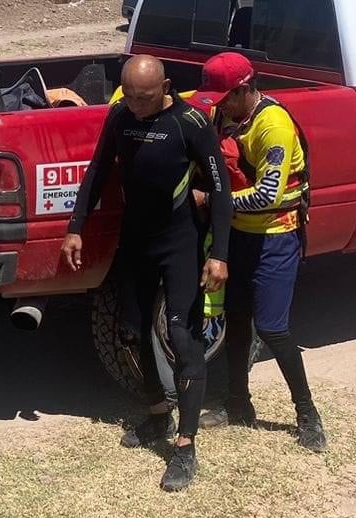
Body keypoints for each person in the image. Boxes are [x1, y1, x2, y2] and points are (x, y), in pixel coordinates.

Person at [60, 55, 230, 492]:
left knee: (182, 335)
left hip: (179, 243)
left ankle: (186, 445)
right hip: (136, 241)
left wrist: (220, 255)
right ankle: (158, 415)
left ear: (166, 85)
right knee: (132, 334)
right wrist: (75, 228)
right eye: (130, 95)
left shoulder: (189, 123)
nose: (136, 104)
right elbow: (97, 171)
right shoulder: (120, 115)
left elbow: (220, 189)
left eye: (145, 96)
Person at [198, 52, 327, 452]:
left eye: (224, 97)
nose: (217, 104)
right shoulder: (226, 115)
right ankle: (238, 403)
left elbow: (268, 195)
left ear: (244, 89)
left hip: (276, 236)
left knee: (271, 328)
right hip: (239, 237)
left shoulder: (273, 126)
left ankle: (307, 415)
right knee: (236, 320)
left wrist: (212, 202)